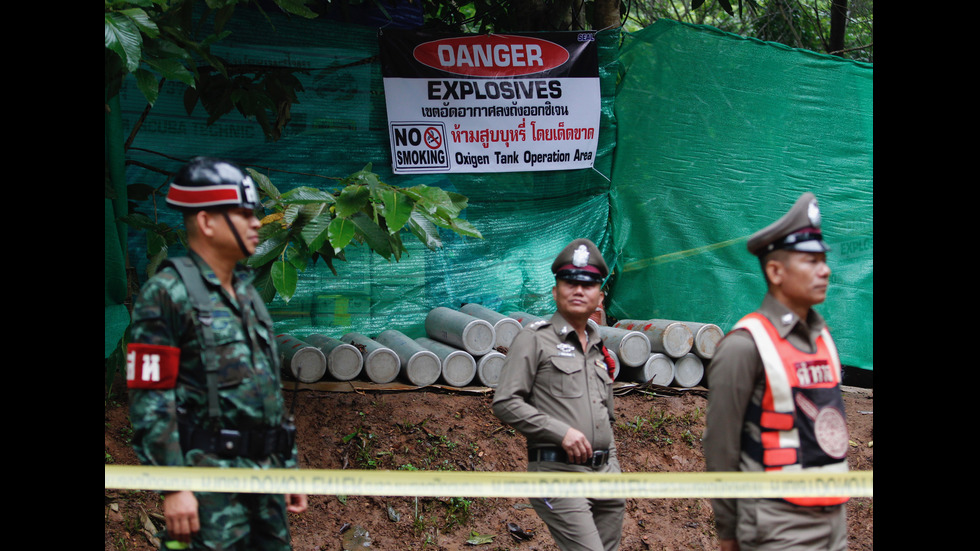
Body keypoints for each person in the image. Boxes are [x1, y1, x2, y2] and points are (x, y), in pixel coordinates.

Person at [127, 157, 307, 550]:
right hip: (209, 484)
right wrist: (174, 487)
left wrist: (286, 465)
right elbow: (150, 402)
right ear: (207, 223)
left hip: (265, 480)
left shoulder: (245, 293)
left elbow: (269, 392)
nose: (257, 223)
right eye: (244, 214)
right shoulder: (166, 294)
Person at [703, 192, 849, 551]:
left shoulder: (823, 337)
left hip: (835, 519)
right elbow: (721, 446)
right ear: (775, 271)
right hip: (778, 526)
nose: (825, 270)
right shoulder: (744, 345)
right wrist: (728, 532)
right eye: (811, 261)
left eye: (823, 260)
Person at [492, 238, 625, 551]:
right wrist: (560, 432)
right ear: (555, 292)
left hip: (606, 475)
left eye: (588, 284)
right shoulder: (535, 339)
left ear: (600, 296)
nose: (579, 290)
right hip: (558, 473)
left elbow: (606, 415)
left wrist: (614, 468)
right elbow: (506, 402)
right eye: (570, 282)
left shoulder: (598, 346)